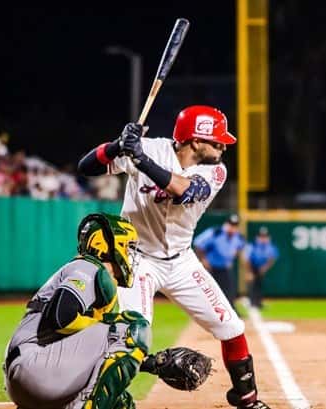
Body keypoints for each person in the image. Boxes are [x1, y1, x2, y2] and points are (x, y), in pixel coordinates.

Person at [77, 105, 270, 409]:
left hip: (181, 262)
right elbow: (86, 167)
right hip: (137, 262)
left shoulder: (215, 169)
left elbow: (185, 191)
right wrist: (118, 146)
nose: (222, 145)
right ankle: (99, 398)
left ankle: (246, 400)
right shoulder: (149, 147)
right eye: (216, 139)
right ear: (195, 141)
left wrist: (139, 158)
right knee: (133, 335)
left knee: (232, 327)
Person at [3, 212, 209, 409]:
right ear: (109, 245)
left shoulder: (90, 272)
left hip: (32, 376)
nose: (130, 255)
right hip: (35, 368)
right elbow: (61, 317)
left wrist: (149, 363)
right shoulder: (88, 268)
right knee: (133, 327)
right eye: (127, 247)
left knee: (120, 402)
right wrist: (110, 326)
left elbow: (77, 340)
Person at [193, 214, 246, 309]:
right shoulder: (215, 232)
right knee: (210, 292)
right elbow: (198, 244)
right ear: (226, 224)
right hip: (211, 268)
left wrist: (232, 257)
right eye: (231, 224)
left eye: (235, 225)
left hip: (225, 267)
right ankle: (208, 312)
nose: (232, 227)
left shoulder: (238, 237)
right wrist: (203, 260)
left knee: (229, 290)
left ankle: (231, 311)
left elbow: (240, 247)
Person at [244, 227, 279, 309]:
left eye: (265, 236)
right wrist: (249, 271)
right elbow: (246, 259)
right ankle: (252, 303)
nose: (263, 238)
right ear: (257, 237)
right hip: (252, 266)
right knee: (252, 285)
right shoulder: (252, 245)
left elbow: (272, 258)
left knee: (259, 285)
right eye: (261, 236)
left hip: (261, 267)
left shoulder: (270, 247)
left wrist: (265, 267)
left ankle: (258, 303)